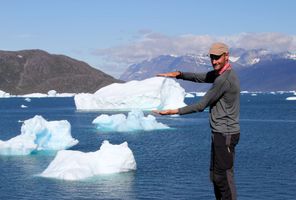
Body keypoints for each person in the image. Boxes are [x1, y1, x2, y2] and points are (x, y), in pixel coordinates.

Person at [154, 42, 240, 200]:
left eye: (217, 58)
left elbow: (201, 105)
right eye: (212, 58)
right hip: (219, 133)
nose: (214, 61)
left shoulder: (224, 80)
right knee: (216, 177)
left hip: (226, 134)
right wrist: (179, 74)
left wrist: (173, 111)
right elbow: (200, 77)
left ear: (226, 56)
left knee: (224, 177)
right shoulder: (220, 74)